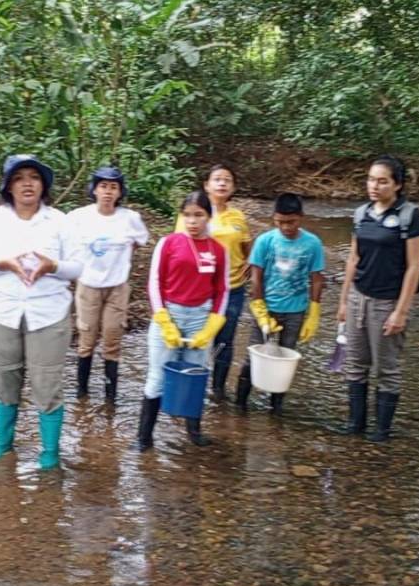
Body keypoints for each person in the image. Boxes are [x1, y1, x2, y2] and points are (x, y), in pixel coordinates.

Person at [0, 155, 84, 470]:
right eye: (19, 178)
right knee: (4, 380)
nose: (27, 183)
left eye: (34, 177)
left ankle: (49, 452)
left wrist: (52, 265)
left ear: (43, 185)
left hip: (49, 314)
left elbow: (78, 266)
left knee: (47, 384)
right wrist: (2, 263)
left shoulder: (60, 221)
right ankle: (3, 444)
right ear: (8, 186)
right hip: (0, 310)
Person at [337, 155, 419, 442]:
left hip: (387, 301)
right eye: (370, 179)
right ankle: (355, 424)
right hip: (358, 297)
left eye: (382, 181)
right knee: (354, 363)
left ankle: (382, 430)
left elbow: (414, 266)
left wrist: (401, 311)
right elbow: (354, 257)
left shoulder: (409, 215)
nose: (374, 186)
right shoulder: (361, 213)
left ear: (397, 185)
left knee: (386, 368)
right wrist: (343, 300)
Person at [138, 190, 229, 451]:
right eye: (187, 215)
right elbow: (154, 282)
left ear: (208, 217)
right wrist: (163, 319)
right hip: (170, 314)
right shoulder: (168, 243)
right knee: (156, 377)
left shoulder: (218, 250)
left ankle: (194, 431)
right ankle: (144, 438)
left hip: (201, 316)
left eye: (198, 215)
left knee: (195, 375)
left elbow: (222, 289)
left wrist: (213, 324)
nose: (192, 221)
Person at [234, 193, 325, 416]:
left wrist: (314, 312)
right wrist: (259, 308)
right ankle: (240, 405)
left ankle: (276, 408)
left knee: (286, 360)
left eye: (291, 222)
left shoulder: (312, 244)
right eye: (280, 222)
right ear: (274, 219)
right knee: (252, 357)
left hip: (295, 311)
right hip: (267, 309)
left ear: (301, 217)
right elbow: (256, 276)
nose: (286, 227)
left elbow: (316, 279)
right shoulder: (266, 241)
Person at [67, 167, 149, 402]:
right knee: (86, 339)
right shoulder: (78, 217)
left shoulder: (130, 218)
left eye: (113, 187)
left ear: (120, 192)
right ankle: (82, 392)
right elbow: (67, 244)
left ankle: (110, 397)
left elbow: (139, 241)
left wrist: (121, 258)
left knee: (113, 340)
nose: (107, 192)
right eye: (103, 186)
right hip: (88, 284)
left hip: (117, 287)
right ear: (94, 189)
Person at [175, 165, 251, 401]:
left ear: (233, 187)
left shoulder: (238, 217)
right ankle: (187, 386)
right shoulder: (192, 215)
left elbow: (247, 244)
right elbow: (179, 247)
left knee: (224, 340)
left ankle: (217, 389)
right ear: (206, 185)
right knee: (193, 338)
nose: (222, 183)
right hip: (200, 289)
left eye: (227, 180)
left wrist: (250, 261)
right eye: (217, 179)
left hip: (232, 288)